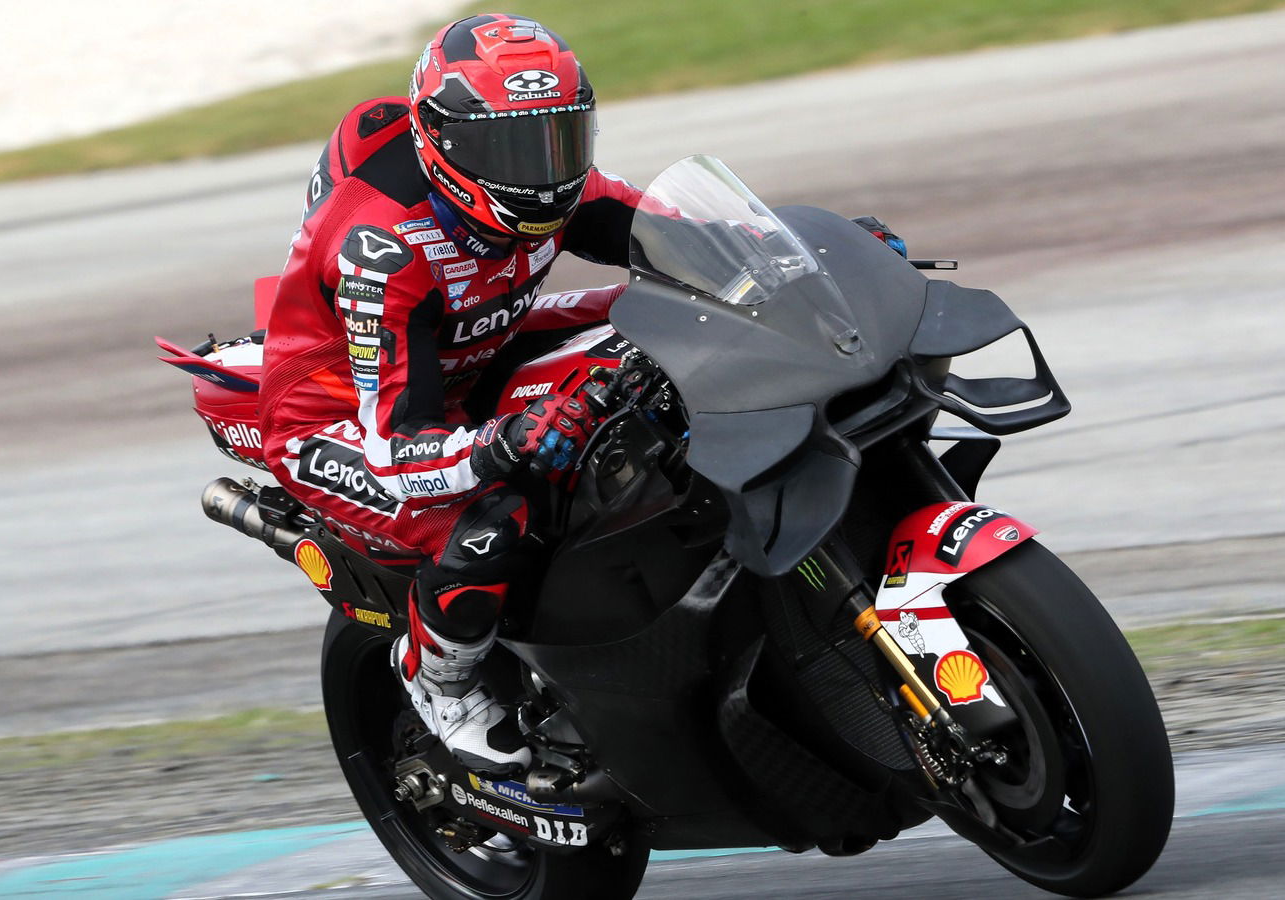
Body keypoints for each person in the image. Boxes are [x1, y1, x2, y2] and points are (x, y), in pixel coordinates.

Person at [259, 13, 906, 773]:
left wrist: (807, 262)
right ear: (446, 142)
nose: (540, 171)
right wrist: (501, 442)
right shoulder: (384, 253)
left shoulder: (556, 190)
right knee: (491, 513)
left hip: (481, 343)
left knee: (664, 326)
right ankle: (441, 679)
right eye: (512, 147)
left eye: (557, 140)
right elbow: (398, 447)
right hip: (338, 415)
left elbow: (691, 244)